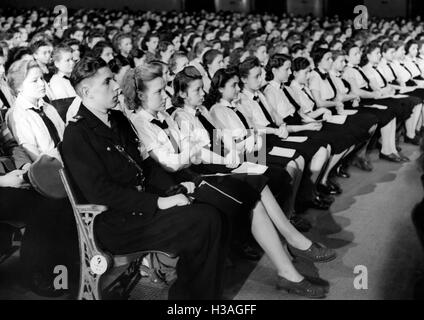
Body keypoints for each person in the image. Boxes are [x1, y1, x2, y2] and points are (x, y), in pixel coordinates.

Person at [62, 56, 228, 300]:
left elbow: (146, 165)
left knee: (208, 208)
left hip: (140, 210)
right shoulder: (77, 134)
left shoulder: (117, 119)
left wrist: (175, 190)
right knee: (206, 220)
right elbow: (101, 193)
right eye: (107, 82)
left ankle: (191, 294)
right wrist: (158, 203)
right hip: (117, 224)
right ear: (87, 92)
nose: (117, 86)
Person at [6, 59, 64, 161]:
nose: (42, 84)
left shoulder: (47, 107)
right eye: (34, 80)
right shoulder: (17, 115)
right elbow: (34, 156)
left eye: (41, 78)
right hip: (50, 169)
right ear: (19, 86)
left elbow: (64, 135)